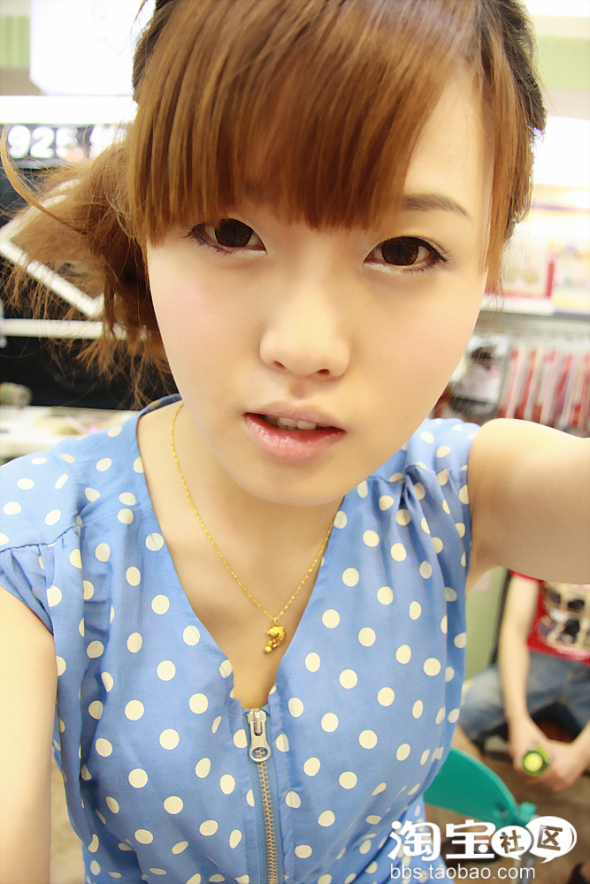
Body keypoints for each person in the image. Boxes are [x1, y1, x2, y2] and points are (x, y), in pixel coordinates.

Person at [0, 1, 588, 882]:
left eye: (404, 249)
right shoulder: (40, 545)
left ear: (486, 267)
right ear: (147, 229)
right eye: (231, 232)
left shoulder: (453, 495)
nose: (305, 345)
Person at [454, 573, 590, 793]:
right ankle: (482, 801)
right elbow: (513, 631)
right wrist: (517, 718)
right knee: (446, 720)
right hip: (538, 660)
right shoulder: (541, 551)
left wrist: (581, 753)